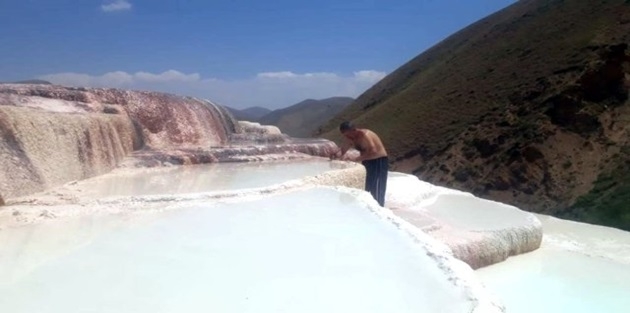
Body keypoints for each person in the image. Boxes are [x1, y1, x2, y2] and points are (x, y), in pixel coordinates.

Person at [332, 121, 388, 206]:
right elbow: (343, 150)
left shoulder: (365, 135)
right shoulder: (351, 137)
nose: (348, 137)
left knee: (377, 186)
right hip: (367, 161)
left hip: (378, 160)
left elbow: (373, 151)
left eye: (349, 134)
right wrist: (336, 156)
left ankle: (379, 207)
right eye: (345, 135)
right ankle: (368, 206)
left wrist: (356, 159)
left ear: (354, 130)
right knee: (368, 184)